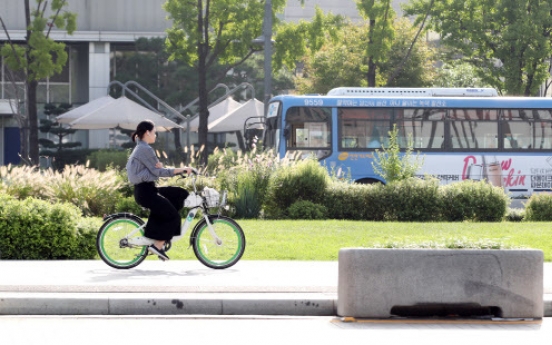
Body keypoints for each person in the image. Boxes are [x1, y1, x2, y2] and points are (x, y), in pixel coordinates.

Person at [126, 120, 193, 261]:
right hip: (145, 192)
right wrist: (181, 169)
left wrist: (159, 170)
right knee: (173, 216)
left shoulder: (142, 148)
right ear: (147, 133)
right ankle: (158, 245)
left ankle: (159, 234)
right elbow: (159, 172)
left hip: (147, 189)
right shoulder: (145, 149)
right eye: (154, 132)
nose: (156, 135)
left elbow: (155, 170)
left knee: (179, 194)